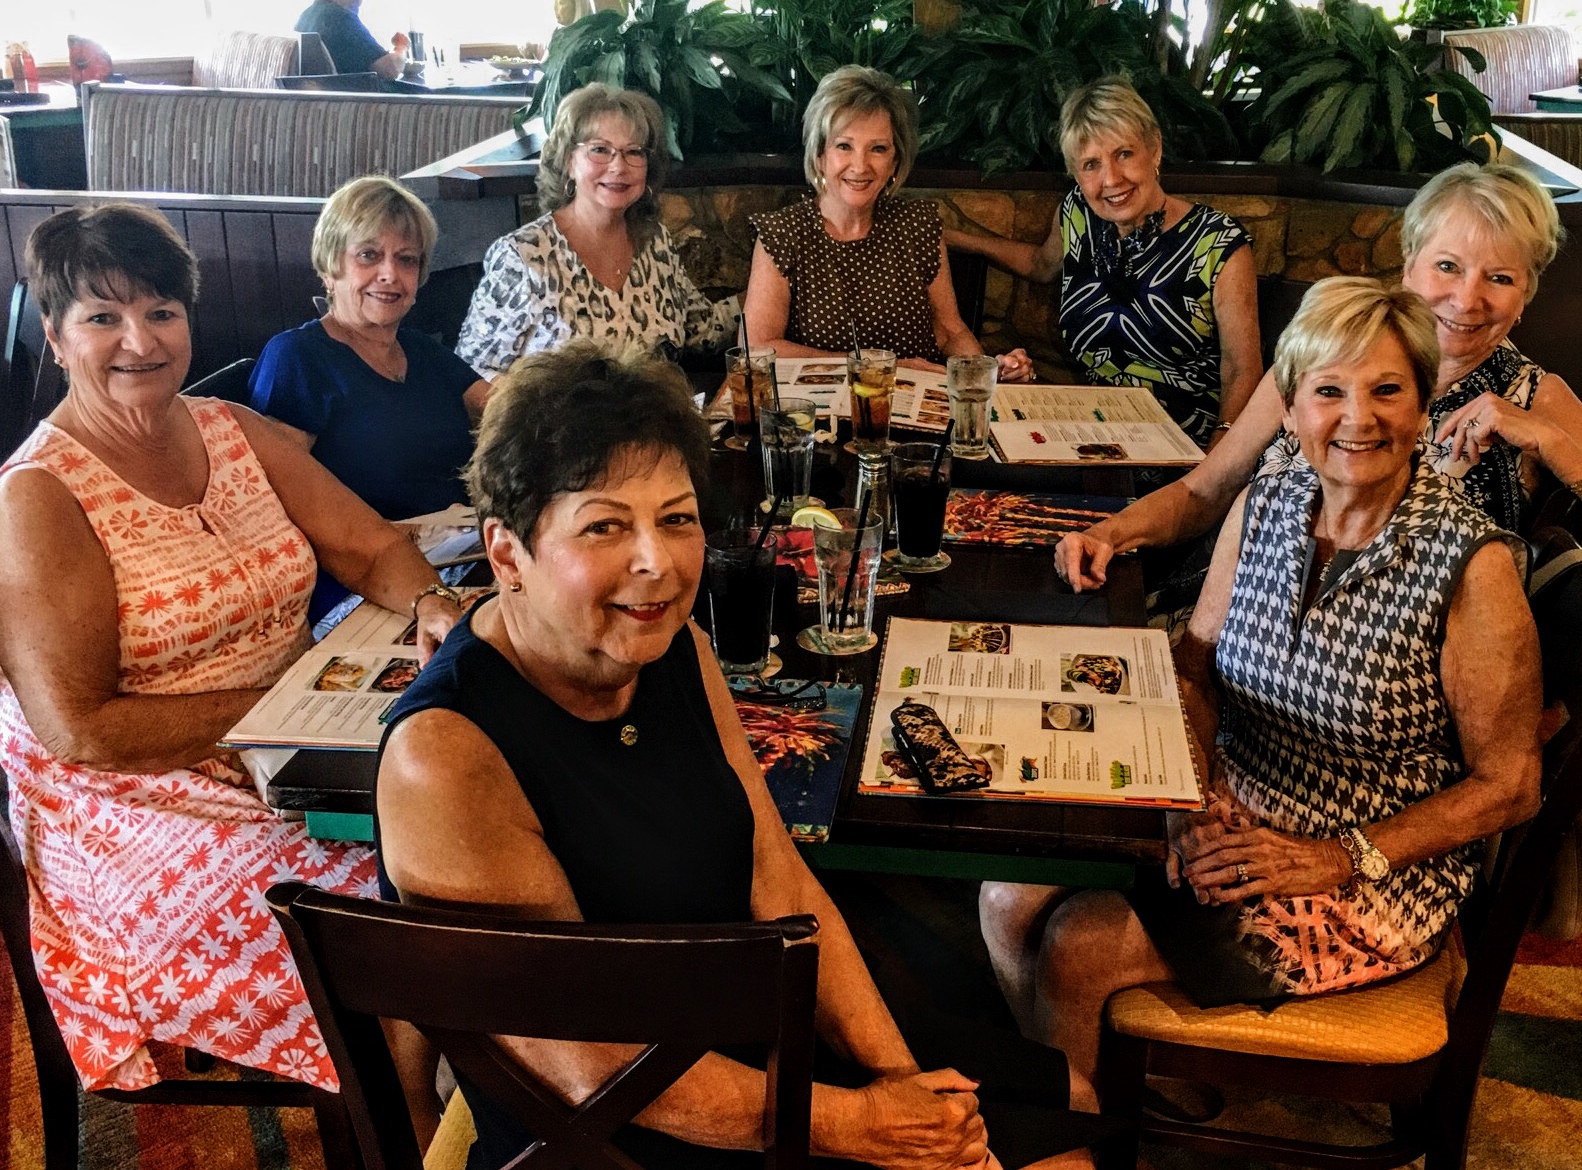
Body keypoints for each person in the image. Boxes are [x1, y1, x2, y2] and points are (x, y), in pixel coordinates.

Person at [376, 345, 1098, 1170]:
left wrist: (908, 1088)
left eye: (677, 518)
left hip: (748, 1024)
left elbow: (776, 874)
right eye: (605, 525)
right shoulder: (446, 755)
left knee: (1071, 1092)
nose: (656, 562)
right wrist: (859, 1123)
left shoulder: (674, 646)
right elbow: (585, 1060)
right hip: (619, 1124)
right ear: (507, 553)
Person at [980, 278, 1541, 1112]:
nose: (1359, 417)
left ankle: (1085, 1121)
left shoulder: (1470, 564)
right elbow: (1195, 669)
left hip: (1366, 873)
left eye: (1388, 389)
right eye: (1329, 391)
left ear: (1424, 406)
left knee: (1079, 947)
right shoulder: (1269, 501)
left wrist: (1336, 855)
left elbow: (1512, 783)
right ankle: (1135, 1088)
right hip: (1230, 807)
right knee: (1005, 891)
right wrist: (1189, 800)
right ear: (1289, 406)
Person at [0, 203, 465, 1093]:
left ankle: (474, 1091)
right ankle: (409, 1122)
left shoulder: (227, 427)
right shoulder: (38, 495)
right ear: (57, 337)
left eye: (162, 312)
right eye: (103, 317)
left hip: (286, 748)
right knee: (402, 911)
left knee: (462, 832)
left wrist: (434, 605)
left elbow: (370, 546)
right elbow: (80, 729)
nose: (140, 339)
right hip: (132, 815)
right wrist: (281, 713)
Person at [1056, 159, 1582, 590]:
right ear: (1408, 264)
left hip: (1390, 674)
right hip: (1225, 614)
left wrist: (1552, 441)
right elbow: (1202, 493)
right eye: (1448, 266)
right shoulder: (1321, 357)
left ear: (1525, 295)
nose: (1467, 299)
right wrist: (1109, 533)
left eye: (1500, 277)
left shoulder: (1536, 397)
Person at [944, 75, 1260, 446]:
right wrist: (955, 238)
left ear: (1154, 149)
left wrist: (1217, 467)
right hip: (1095, 433)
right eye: (1090, 164)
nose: (1110, 179)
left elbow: (1243, 369)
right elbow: (1040, 265)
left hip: (1185, 444)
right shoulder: (1078, 214)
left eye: (1123, 154)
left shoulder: (1218, 244)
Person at [743, 65, 1034, 381]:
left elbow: (949, 331)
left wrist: (988, 372)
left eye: (878, 149)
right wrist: (870, 366)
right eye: (844, 146)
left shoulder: (918, 226)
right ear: (819, 156)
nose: (860, 165)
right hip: (824, 416)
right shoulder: (784, 233)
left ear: (895, 161)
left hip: (918, 407)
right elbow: (757, 347)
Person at [248, 175, 490, 521]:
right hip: (366, 562)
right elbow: (280, 503)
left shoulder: (421, 351)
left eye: (407, 259)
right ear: (330, 268)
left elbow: (508, 415)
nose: (390, 273)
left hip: (460, 549)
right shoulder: (297, 358)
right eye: (368, 255)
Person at [455, 84, 739, 377]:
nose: (618, 166)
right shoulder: (523, 256)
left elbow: (703, 329)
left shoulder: (655, 243)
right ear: (569, 161)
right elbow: (469, 377)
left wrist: (768, 292)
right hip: (554, 423)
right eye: (600, 150)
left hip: (652, 419)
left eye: (634, 152)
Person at [294, 0, 408, 80]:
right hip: (357, 96)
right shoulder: (341, 18)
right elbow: (390, 69)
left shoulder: (305, 17)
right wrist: (400, 46)